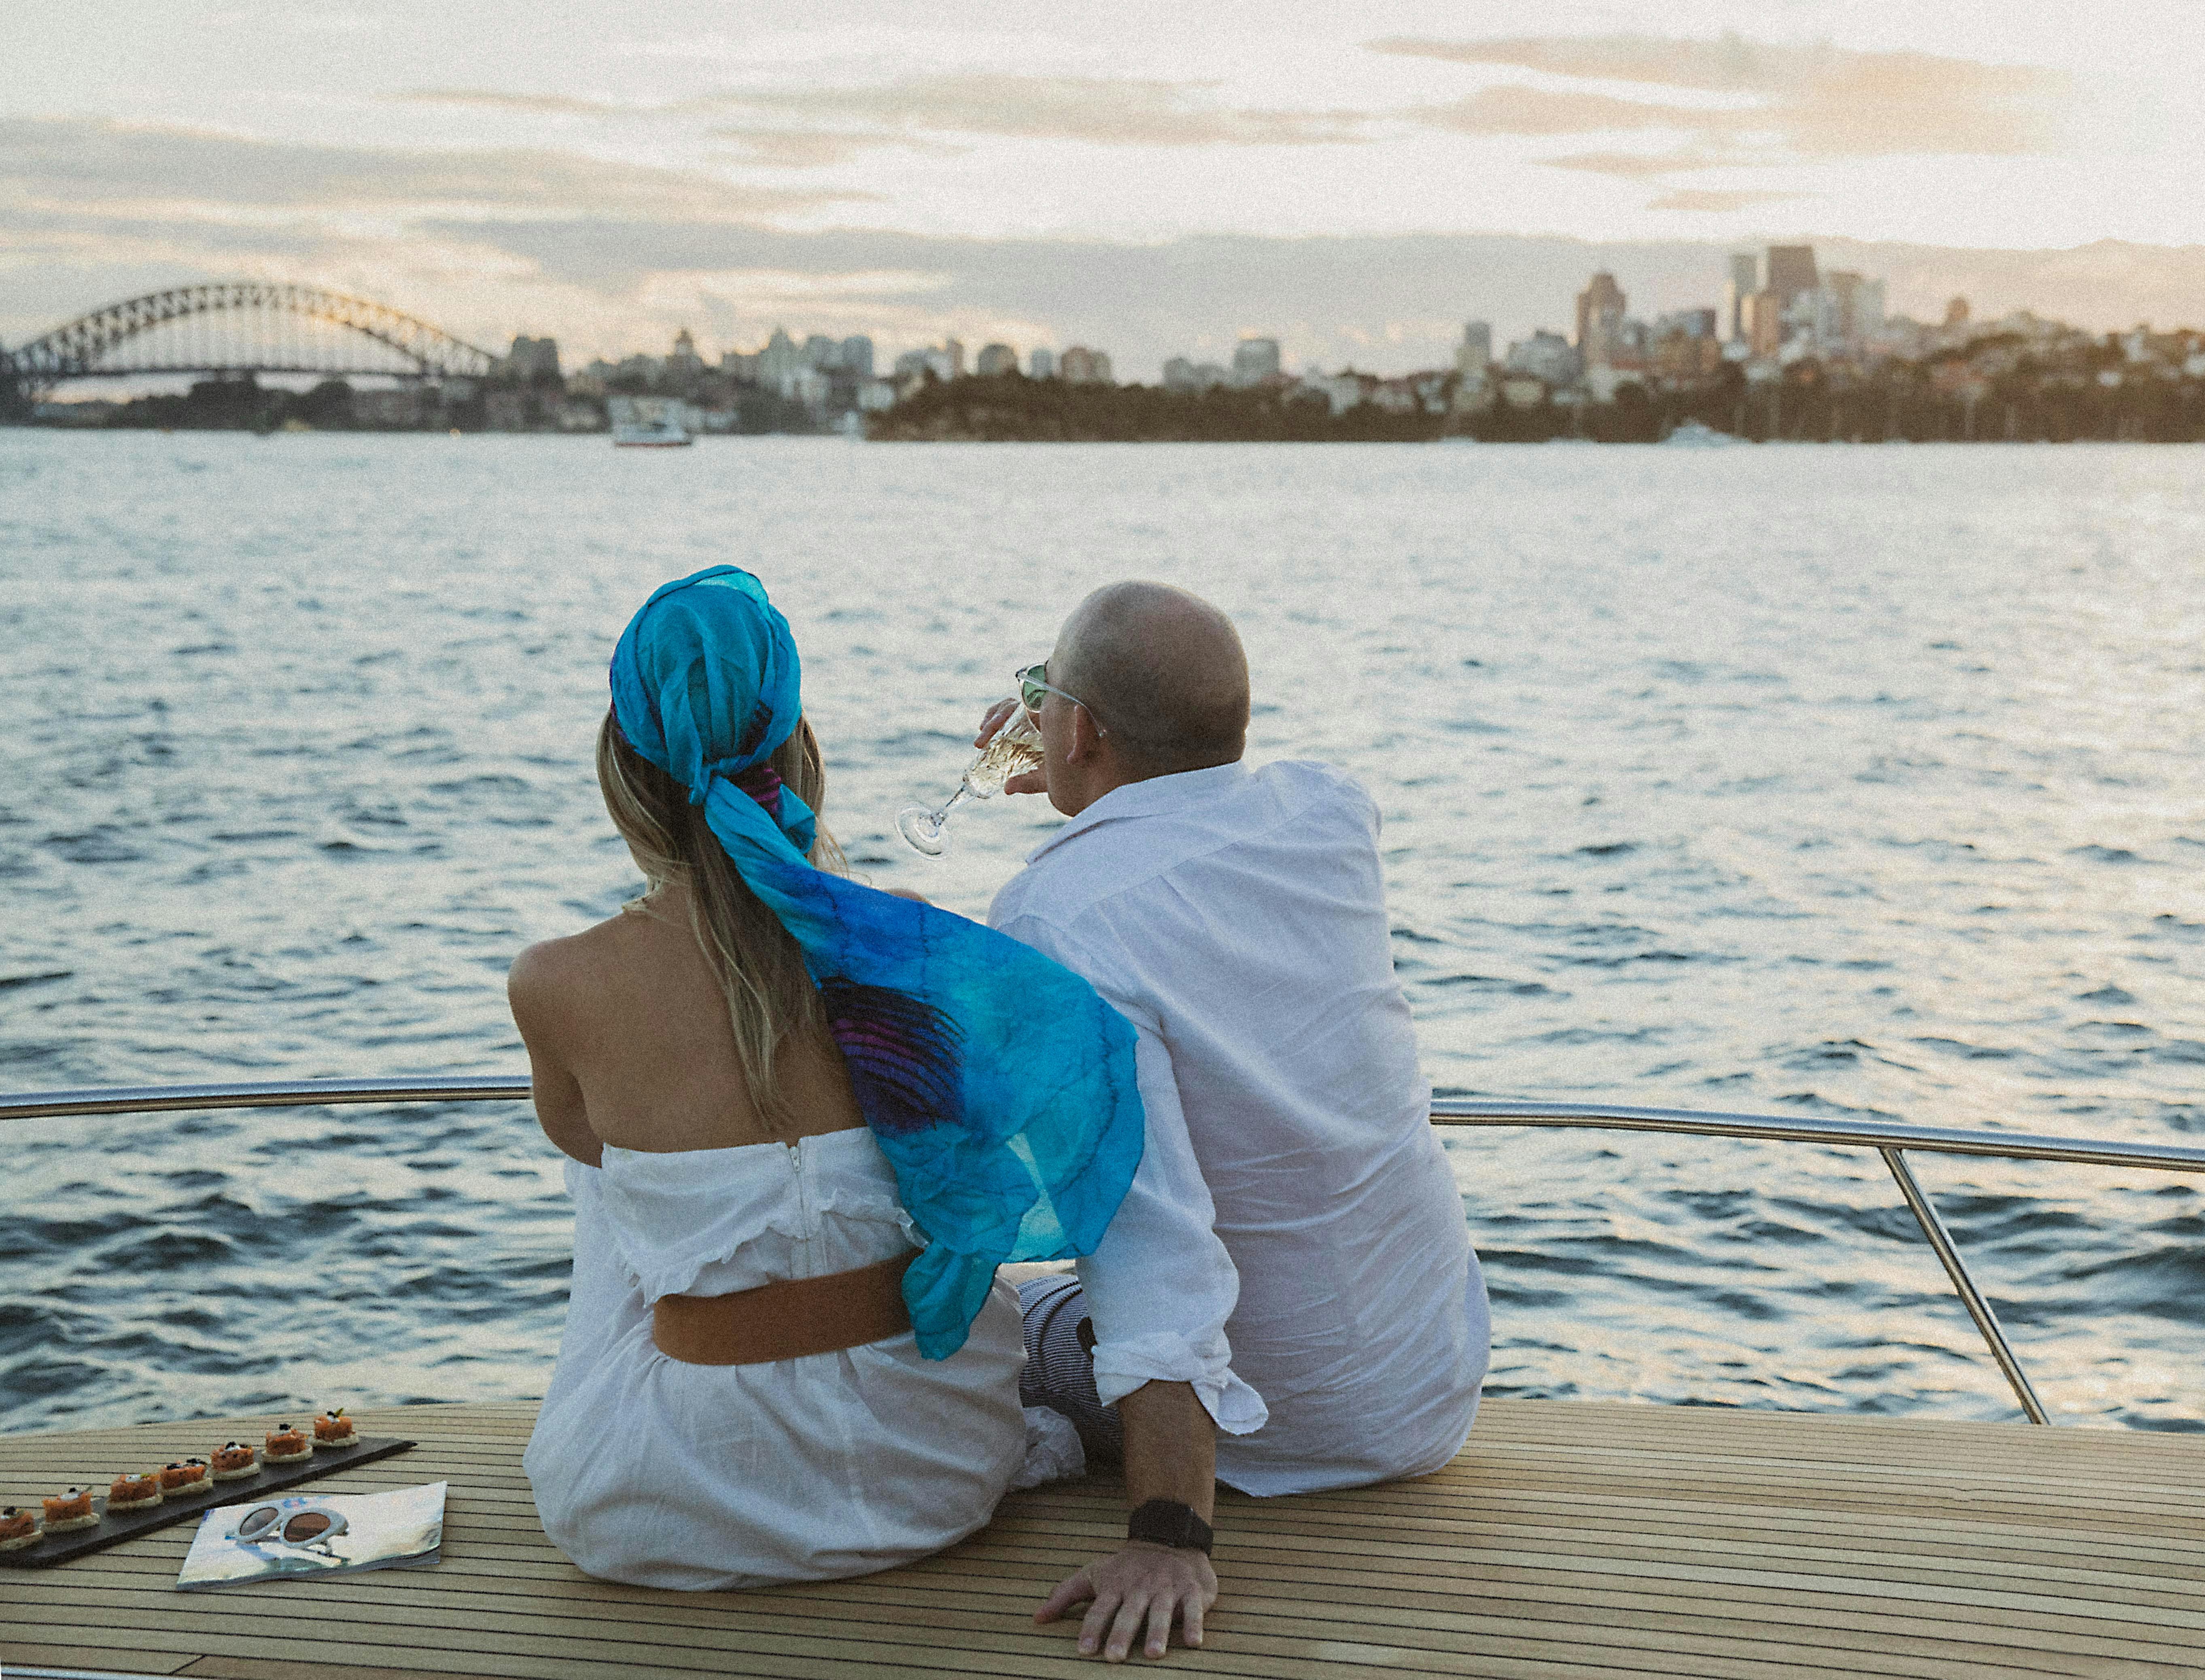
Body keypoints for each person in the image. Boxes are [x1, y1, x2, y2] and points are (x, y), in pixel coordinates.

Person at [512, 566, 1145, 1591]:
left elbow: (586, 1149)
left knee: (607, 1170)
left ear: (623, 768)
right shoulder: (899, 942)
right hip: (933, 1475)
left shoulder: (555, 981)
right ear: (798, 752)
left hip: (669, 1507)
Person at [985, 581, 1492, 1662]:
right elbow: (1187, 813)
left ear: (1078, 730)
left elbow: (1145, 1234)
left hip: (1279, 1425)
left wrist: (1170, 1536)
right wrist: (1095, 793)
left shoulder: (1053, 917)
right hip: (1426, 1387)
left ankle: (1072, 1450)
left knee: (993, 1320)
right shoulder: (1328, 811)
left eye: (1044, 694)